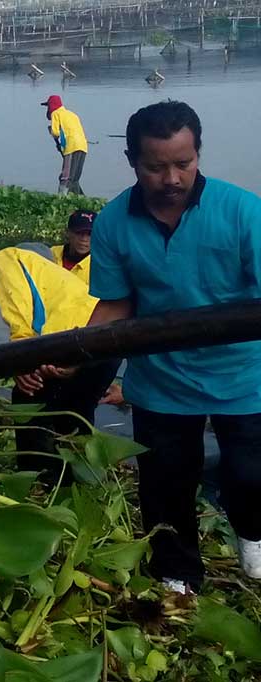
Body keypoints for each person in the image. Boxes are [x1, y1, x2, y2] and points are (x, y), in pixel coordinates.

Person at [87, 100, 261, 594]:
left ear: (198, 154)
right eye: (156, 166)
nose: (172, 178)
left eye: (183, 163)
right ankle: (176, 580)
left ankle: (253, 535)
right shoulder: (114, 222)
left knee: (251, 477)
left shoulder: (244, 211)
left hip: (245, 376)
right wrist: (67, 354)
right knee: (166, 488)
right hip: (162, 379)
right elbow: (116, 307)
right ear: (132, 162)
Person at [0, 243, 120, 482]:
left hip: (67, 342)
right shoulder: (68, 282)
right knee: (75, 416)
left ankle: (38, 483)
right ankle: (79, 484)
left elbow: (20, 309)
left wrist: (23, 355)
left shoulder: (9, 257)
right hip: (105, 345)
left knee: (29, 406)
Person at [42, 95, 88, 196]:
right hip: (83, 146)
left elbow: (55, 132)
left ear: (51, 106)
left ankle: (61, 199)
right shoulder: (72, 114)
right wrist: (61, 146)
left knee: (66, 177)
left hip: (72, 147)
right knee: (75, 178)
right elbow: (70, 131)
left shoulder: (55, 113)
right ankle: (79, 199)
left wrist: (52, 132)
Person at [51, 210, 94, 285]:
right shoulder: (50, 254)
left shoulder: (99, 266)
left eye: (90, 234)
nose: (84, 239)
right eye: (79, 233)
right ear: (68, 232)